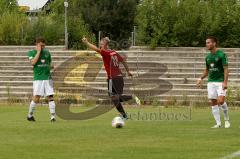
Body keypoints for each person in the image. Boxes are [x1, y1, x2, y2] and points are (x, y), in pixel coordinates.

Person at [82, 37, 141, 119]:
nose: (100, 44)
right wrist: (128, 71)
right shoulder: (113, 52)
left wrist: (87, 43)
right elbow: (123, 61)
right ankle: (125, 115)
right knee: (113, 97)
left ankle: (132, 97)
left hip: (115, 79)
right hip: (114, 79)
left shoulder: (105, 52)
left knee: (116, 98)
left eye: (101, 43)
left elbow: (96, 49)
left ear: (105, 44)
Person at [197, 36, 230, 128]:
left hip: (220, 82)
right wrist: (200, 78)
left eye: (208, 42)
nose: (206, 44)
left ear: (214, 43)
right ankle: (218, 123)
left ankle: (227, 120)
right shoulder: (207, 57)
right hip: (211, 82)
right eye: (206, 43)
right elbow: (207, 70)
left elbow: (226, 69)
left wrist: (225, 82)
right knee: (213, 102)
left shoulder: (221, 55)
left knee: (221, 100)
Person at [27, 38, 56, 122]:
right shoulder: (31, 52)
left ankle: (53, 117)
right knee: (37, 98)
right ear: (36, 44)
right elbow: (33, 62)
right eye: (41, 45)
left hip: (47, 78)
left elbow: (49, 63)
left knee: (50, 96)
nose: (42, 47)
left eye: (43, 45)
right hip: (38, 79)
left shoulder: (47, 53)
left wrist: (52, 66)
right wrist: (39, 52)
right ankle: (29, 115)